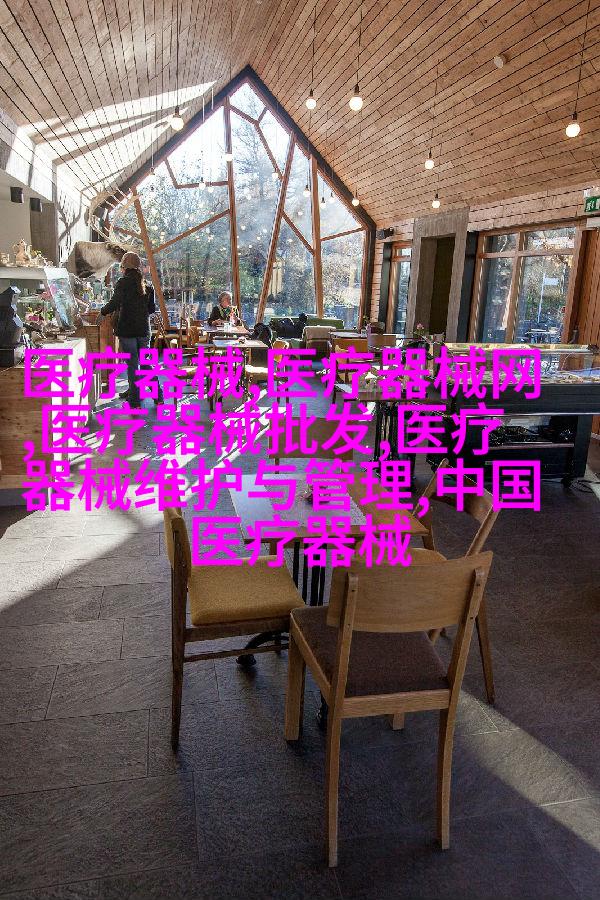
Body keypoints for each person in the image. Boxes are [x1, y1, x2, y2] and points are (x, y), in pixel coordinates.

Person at [100, 251, 163, 407]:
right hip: (144, 330)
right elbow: (151, 309)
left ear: (123, 267)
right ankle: (158, 397)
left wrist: (103, 312)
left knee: (133, 366)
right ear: (138, 267)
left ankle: (135, 401)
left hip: (127, 330)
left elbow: (114, 302)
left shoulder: (122, 282)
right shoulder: (147, 285)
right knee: (146, 364)